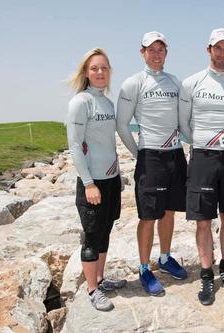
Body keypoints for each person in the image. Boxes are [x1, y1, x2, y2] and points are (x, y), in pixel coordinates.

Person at [179, 28, 224, 305]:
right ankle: (207, 274)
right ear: (208, 49)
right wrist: (201, 142)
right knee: (204, 220)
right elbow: (184, 123)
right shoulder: (191, 83)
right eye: (217, 47)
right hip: (202, 158)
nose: (222, 53)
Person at [116, 31, 187, 296]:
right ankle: (144, 268)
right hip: (150, 156)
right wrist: (139, 154)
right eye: (151, 49)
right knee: (148, 216)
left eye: (161, 49)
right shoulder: (133, 83)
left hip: (176, 154)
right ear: (142, 52)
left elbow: (183, 121)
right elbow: (122, 123)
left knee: (169, 211)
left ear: (166, 53)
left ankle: (165, 258)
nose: (156, 54)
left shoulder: (175, 82)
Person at [66, 48, 127, 311]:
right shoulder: (81, 102)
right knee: (91, 236)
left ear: (110, 71)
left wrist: (120, 172)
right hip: (93, 183)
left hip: (112, 179)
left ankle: (100, 279)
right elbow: (75, 146)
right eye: (94, 68)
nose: (100, 72)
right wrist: (89, 183)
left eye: (104, 68)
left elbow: (107, 142)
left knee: (106, 230)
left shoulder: (107, 102)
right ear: (86, 73)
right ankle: (92, 290)